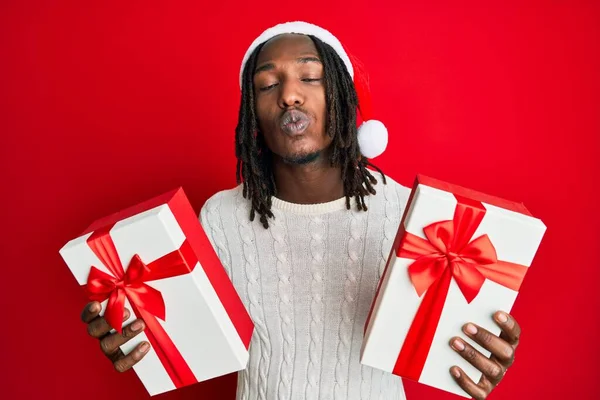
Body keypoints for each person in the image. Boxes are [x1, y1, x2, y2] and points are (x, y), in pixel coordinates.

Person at [80, 22, 522, 400]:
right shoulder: (219, 218)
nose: (289, 95)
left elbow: (456, 336)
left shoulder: (411, 216)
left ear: (343, 100)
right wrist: (127, 333)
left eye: (310, 77)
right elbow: (184, 335)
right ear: (253, 114)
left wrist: (485, 351)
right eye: (268, 85)